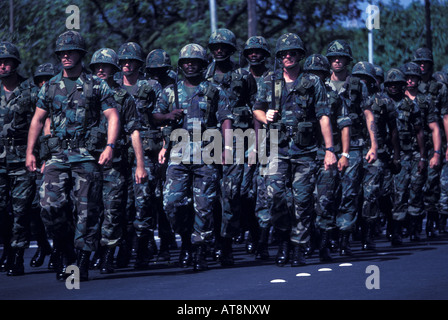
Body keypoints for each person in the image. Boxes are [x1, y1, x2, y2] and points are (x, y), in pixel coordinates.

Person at [25, 31, 120, 281]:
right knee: (49, 206)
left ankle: (82, 259)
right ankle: (65, 249)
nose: (65, 56)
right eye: (61, 53)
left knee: (86, 211)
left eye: (70, 52)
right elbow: (37, 120)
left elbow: (112, 116)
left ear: (80, 55)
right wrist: (30, 152)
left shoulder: (95, 84)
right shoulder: (50, 86)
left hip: (86, 156)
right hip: (57, 156)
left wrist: (109, 146)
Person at [253, 33, 337, 267]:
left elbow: (323, 117)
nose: (287, 57)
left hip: (305, 151)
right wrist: (265, 115)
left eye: (292, 53)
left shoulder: (312, 82)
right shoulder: (269, 80)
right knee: (275, 197)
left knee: (302, 202)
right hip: (276, 150)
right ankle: (283, 241)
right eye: (283, 54)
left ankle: (298, 247)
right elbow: (257, 110)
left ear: (300, 55)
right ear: (279, 57)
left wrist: (330, 149)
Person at [154, 43, 233, 271]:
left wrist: (226, 149)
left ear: (202, 65)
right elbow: (155, 115)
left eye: (194, 62)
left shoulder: (214, 90)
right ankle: (186, 240)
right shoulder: (171, 91)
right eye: (186, 62)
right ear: (181, 66)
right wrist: (168, 115)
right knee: (171, 202)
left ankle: (199, 249)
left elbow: (226, 119)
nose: (190, 65)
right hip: (178, 153)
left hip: (206, 153)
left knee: (205, 205)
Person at [89, 48, 147, 273]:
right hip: (87, 161)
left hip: (116, 162)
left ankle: (108, 253)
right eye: (97, 66)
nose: (101, 70)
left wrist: (140, 165)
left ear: (114, 70)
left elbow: (135, 132)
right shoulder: (86, 94)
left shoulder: (124, 98)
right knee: (89, 210)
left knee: (113, 209)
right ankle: (91, 250)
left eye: (106, 66)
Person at [205, 28, 257, 266]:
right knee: (208, 194)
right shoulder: (203, 77)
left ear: (231, 50)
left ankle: (226, 243)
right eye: (215, 47)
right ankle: (212, 241)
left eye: (223, 47)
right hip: (205, 140)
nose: (219, 51)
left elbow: (256, 109)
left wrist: (256, 143)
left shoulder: (243, 77)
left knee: (231, 193)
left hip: (236, 140)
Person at [325, 40, 378, 256]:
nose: (337, 61)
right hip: (327, 147)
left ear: (348, 60)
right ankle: (326, 238)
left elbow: (368, 115)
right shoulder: (320, 83)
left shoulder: (357, 85)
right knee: (326, 195)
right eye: (334, 57)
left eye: (341, 57)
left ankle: (345, 238)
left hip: (354, 146)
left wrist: (374, 145)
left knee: (348, 193)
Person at [115, 42, 163, 269]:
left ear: (138, 64)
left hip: (145, 151)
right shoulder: (111, 87)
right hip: (118, 152)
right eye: (123, 61)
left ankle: (142, 247)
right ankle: (124, 248)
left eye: (131, 61)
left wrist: (164, 145)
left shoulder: (151, 86)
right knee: (120, 203)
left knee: (143, 201)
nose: (127, 64)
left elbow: (162, 116)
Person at [303, 53, 351, 261]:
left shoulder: (333, 96)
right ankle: (307, 242)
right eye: (311, 74)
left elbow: (344, 125)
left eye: (319, 74)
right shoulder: (298, 93)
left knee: (325, 201)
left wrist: (343, 154)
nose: (315, 77)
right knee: (302, 202)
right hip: (302, 154)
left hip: (326, 154)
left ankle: (323, 245)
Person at [351, 61, 400, 250]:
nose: (362, 82)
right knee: (353, 194)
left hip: (377, 154)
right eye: (358, 78)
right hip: (354, 151)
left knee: (372, 194)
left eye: (365, 78)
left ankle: (368, 233)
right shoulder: (348, 99)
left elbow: (393, 131)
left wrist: (396, 157)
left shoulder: (383, 101)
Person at [0, 41, 39, 276]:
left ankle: (16, 255)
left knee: (21, 209)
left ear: (15, 64)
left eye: (6, 62)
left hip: (22, 159)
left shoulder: (30, 91)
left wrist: (36, 153)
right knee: (2, 209)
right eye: (0, 62)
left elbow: (42, 122)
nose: (2, 66)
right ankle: (6, 249)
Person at [383, 67, 425, 245]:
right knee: (383, 193)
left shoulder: (410, 105)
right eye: (390, 84)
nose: (394, 87)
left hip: (405, 153)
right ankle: (390, 223)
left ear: (402, 86)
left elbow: (419, 131)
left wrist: (422, 156)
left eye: (397, 84)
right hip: (384, 153)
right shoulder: (380, 102)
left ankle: (397, 231)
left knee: (401, 193)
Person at [402, 61, 441, 241]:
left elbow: (434, 128)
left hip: (421, 151)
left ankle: (415, 226)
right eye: (407, 78)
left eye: (413, 78)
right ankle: (400, 226)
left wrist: (436, 153)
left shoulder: (426, 100)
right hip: (400, 151)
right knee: (400, 190)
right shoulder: (397, 99)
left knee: (418, 188)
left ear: (419, 80)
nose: (410, 81)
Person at [242, 36, 273, 259]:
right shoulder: (240, 76)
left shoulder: (274, 79)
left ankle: (262, 239)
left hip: (270, 142)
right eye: (250, 52)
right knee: (243, 193)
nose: (254, 55)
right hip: (238, 139)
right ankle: (252, 233)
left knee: (264, 193)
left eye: (258, 51)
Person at [412, 48, 446, 238]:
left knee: (434, 182)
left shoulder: (439, 87)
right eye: (419, 63)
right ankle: (414, 223)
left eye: (425, 62)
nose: (422, 65)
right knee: (415, 184)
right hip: (414, 142)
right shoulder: (407, 84)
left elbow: (446, 117)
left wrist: (443, 149)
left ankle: (434, 222)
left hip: (435, 140)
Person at [29, 63, 55, 270]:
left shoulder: (61, 105)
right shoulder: (32, 104)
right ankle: (43, 245)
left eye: (47, 79)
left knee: (54, 208)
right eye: (40, 81)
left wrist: (48, 160)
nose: (44, 84)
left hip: (54, 162)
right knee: (32, 209)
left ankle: (59, 249)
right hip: (30, 162)